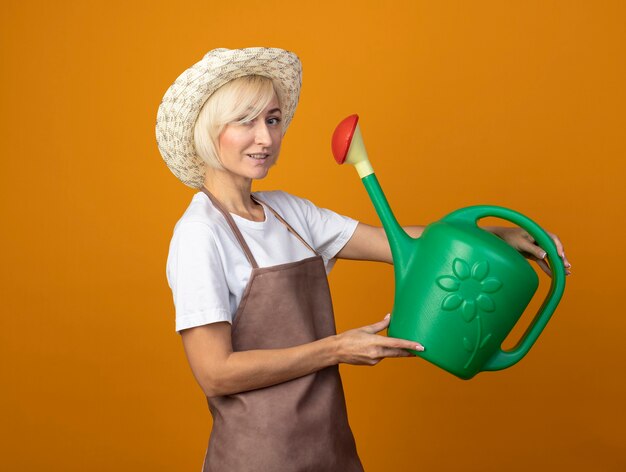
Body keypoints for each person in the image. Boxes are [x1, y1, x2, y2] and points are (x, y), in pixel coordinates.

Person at [156, 47, 571, 472]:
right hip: (258, 458)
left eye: (273, 120)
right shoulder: (200, 234)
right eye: (245, 121)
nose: (265, 138)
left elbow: (396, 243)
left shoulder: (289, 213)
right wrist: (337, 348)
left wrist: (498, 236)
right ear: (210, 130)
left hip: (328, 444)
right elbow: (216, 373)